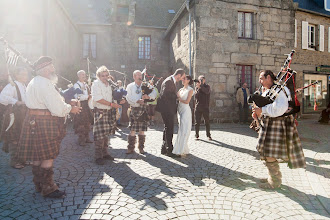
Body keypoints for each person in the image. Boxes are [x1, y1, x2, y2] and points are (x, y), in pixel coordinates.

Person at [16, 56, 81, 198]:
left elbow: (46, 101)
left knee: (38, 155)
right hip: (45, 121)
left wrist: (66, 102)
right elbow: (57, 108)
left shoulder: (33, 81)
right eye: (51, 68)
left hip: (33, 119)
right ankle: (48, 188)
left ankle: (39, 184)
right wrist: (71, 108)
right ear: (45, 70)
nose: (54, 70)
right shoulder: (45, 83)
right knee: (48, 155)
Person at [252, 70, 306, 189]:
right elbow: (266, 106)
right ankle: (273, 178)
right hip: (270, 124)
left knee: (268, 152)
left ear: (269, 78)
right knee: (265, 151)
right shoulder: (269, 91)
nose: (260, 81)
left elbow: (280, 108)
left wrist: (263, 111)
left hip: (277, 124)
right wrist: (258, 113)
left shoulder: (280, 90)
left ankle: (275, 182)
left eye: (261, 78)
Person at [91, 66, 121, 165]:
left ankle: (105, 153)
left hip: (108, 111)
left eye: (106, 75)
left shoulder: (110, 84)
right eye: (102, 75)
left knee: (106, 134)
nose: (105, 77)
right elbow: (97, 98)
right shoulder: (96, 84)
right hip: (100, 112)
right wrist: (112, 104)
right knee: (99, 134)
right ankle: (98, 156)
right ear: (98, 76)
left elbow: (114, 96)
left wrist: (120, 99)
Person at [0, 67, 29, 169]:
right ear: (16, 75)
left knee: (23, 137)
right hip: (14, 115)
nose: (24, 76)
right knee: (15, 138)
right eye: (22, 74)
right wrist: (16, 101)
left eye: (25, 74)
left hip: (24, 115)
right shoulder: (12, 85)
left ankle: (22, 159)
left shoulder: (24, 85)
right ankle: (14, 161)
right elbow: (2, 97)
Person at [126, 70, 157, 154]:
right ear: (134, 77)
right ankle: (131, 148)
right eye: (138, 75)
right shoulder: (130, 86)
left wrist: (148, 96)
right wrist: (137, 100)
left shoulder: (146, 85)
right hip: (134, 109)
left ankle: (141, 148)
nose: (140, 76)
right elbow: (128, 97)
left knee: (142, 130)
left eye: (140, 75)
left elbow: (154, 93)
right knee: (132, 129)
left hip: (143, 110)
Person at [156, 68, 185, 157]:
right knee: (170, 129)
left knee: (167, 128)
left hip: (167, 109)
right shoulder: (169, 81)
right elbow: (165, 94)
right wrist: (176, 96)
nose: (181, 79)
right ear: (178, 75)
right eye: (181, 77)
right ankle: (169, 150)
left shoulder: (170, 80)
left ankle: (164, 148)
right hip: (167, 109)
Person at [172, 75, 194, 157]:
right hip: (179, 110)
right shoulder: (181, 89)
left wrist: (179, 99)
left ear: (188, 80)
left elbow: (187, 101)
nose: (183, 79)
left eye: (184, 79)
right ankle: (183, 148)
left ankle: (180, 149)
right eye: (183, 78)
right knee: (180, 128)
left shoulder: (190, 90)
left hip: (185, 111)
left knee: (183, 129)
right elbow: (176, 95)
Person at [73, 70, 93, 146]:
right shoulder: (76, 85)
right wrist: (88, 96)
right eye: (82, 74)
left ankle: (87, 138)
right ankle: (81, 139)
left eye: (84, 74)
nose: (83, 76)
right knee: (81, 123)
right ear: (78, 76)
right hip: (80, 105)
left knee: (87, 122)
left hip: (87, 105)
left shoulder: (86, 85)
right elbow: (78, 97)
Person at [194, 75, 212, 141]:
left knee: (207, 121)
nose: (200, 81)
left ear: (204, 80)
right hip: (198, 107)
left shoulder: (207, 86)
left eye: (202, 79)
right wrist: (198, 88)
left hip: (205, 107)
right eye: (199, 79)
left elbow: (206, 92)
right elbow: (196, 96)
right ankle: (196, 135)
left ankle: (208, 135)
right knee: (197, 122)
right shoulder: (197, 87)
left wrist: (201, 86)